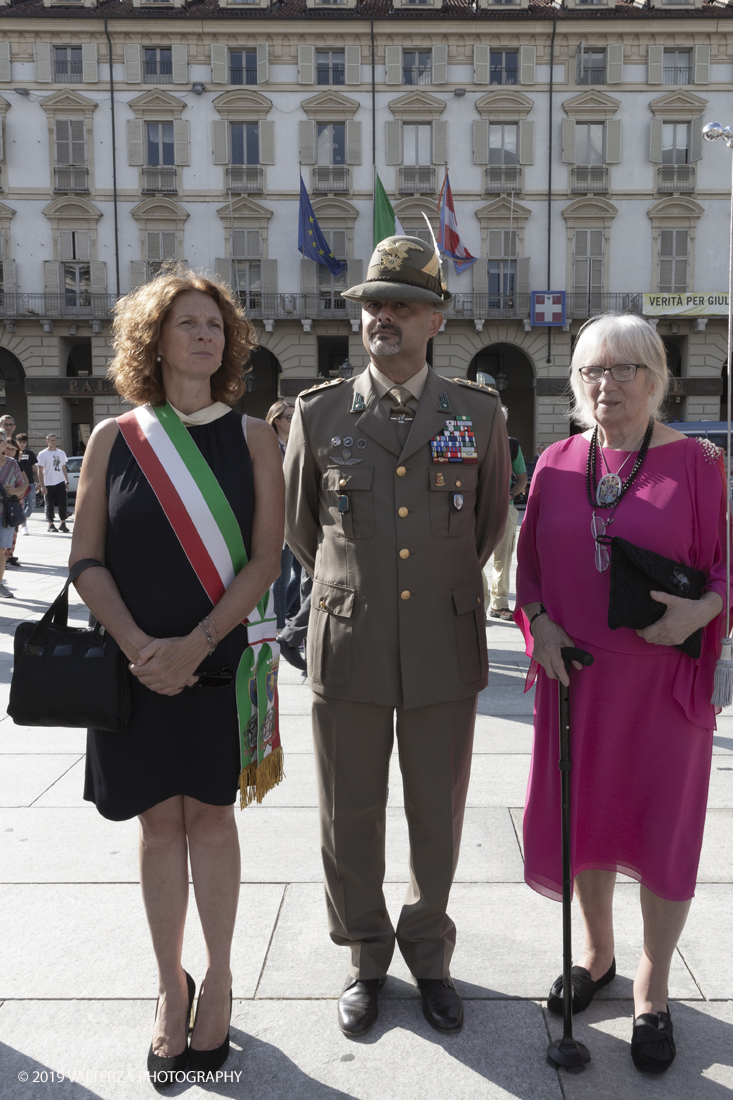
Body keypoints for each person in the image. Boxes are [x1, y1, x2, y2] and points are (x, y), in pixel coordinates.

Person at [284, 235, 510, 1038]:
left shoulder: (479, 414)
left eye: (402, 304)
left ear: (434, 319)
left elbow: (484, 527)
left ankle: (428, 949)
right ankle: (365, 954)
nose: (383, 316)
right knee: (350, 810)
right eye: (373, 303)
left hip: (440, 645)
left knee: (435, 813)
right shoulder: (320, 412)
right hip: (349, 637)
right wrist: (358, 586)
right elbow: (302, 529)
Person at [69, 270, 284, 1084]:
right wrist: (134, 645)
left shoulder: (256, 435)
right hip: (133, 667)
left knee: (214, 822)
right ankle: (170, 986)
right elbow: (86, 556)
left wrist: (194, 643)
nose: (205, 336)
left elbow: (265, 559)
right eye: (186, 323)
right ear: (152, 340)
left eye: (215, 325)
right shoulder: (113, 438)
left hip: (219, 660)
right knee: (159, 827)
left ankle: (220, 980)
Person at [514, 313, 729, 1075]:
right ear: (577, 383)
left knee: (662, 834)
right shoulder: (555, 464)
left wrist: (702, 613)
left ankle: (652, 985)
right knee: (588, 826)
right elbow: (527, 573)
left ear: (654, 377)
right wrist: (535, 624)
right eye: (592, 372)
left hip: (664, 686)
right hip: (578, 681)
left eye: (624, 369)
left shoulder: (698, 466)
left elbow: (722, 573)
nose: (608, 385)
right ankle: (598, 956)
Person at [487, 406, 527, 621]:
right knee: (473, 557)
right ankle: (480, 602)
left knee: (503, 558)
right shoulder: (474, 440)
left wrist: (509, 495)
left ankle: (499, 603)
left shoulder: (512, 445)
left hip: (506, 507)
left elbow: (522, 478)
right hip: (478, 507)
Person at [265, 400, 298, 633]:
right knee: (282, 574)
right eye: (289, 417)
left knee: (306, 572)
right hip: (280, 519)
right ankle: (278, 627)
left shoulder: (295, 445)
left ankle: (288, 615)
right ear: (276, 420)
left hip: (297, 517)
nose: (293, 421)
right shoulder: (271, 447)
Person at [0, 428, 28, 597]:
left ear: (4, 443)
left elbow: (24, 485)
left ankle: (0, 583)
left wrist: (15, 491)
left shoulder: (12, 463)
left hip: (5, 514)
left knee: (2, 550)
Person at [37, 433, 70, 533]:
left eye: (55, 440)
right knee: (49, 503)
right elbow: (40, 470)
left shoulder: (61, 453)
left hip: (60, 481)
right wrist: (42, 485)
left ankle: (62, 523)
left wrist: (66, 481)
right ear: (47, 441)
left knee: (63, 503)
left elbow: (63, 467)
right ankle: (51, 524)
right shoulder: (42, 454)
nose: (54, 442)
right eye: (52, 440)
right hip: (48, 482)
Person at [3, 439, 24, 568]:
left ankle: (8, 555)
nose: (10, 451)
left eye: (13, 449)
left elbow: (25, 483)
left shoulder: (16, 464)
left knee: (13, 531)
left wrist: (16, 491)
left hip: (13, 502)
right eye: (8, 448)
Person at [15, 433, 38, 535]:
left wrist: (38, 482)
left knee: (32, 504)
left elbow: (34, 469)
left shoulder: (30, 453)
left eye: (24, 442)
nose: (22, 444)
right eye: (20, 442)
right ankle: (24, 526)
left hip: (30, 482)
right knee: (21, 505)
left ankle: (23, 519)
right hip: (18, 484)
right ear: (17, 442)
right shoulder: (13, 453)